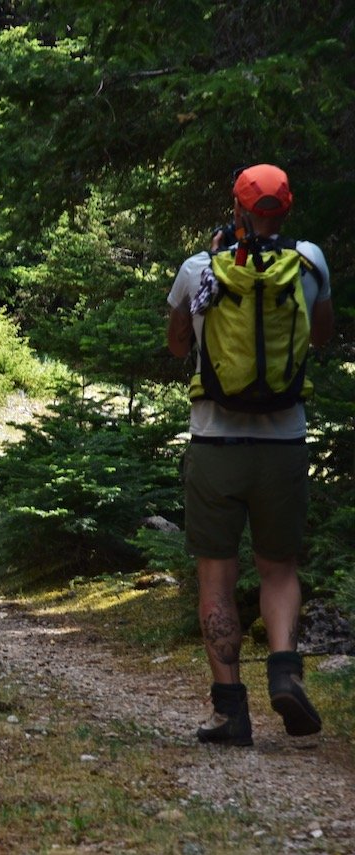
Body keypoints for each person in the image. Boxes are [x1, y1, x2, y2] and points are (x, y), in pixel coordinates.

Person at [166, 163, 335, 746]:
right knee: (279, 566)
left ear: (238, 209)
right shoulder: (310, 262)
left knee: (216, 573)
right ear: (285, 210)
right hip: (283, 442)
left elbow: (176, 344)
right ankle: (285, 671)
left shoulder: (199, 269)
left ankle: (230, 711)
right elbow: (322, 336)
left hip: (216, 441)